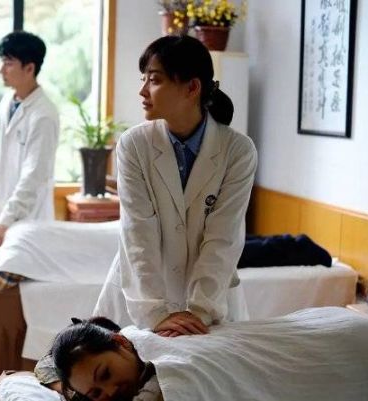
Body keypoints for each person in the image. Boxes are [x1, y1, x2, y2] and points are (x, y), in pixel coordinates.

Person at [93, 35, 258, 336]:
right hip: (140, 300)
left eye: (155, 80)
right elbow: (138, 232)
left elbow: (223, 238)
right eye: (144, 79)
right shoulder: (134, 145)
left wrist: (198, 312)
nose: (143, 90)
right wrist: (155, 313)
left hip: (210, 303)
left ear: (192, 88)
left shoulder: (237, 151)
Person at [51, 309, 368, 401]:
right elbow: (47, 366)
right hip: (329, 321)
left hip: (351, 343)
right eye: (96, 395)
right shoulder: (130, 347)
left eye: (105, 375)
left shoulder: (159, 364)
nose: (111, 392)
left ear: (120, 343)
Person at [0, 31, 60, 250]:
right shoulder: (7, 102)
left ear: (29, 68)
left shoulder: (44, 115)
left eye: (8, 63)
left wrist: (5, 221)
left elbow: (33, 176)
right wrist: (1, 219)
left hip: (29, 218)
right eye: (2, 62)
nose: (2, 70)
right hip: (2, 206)